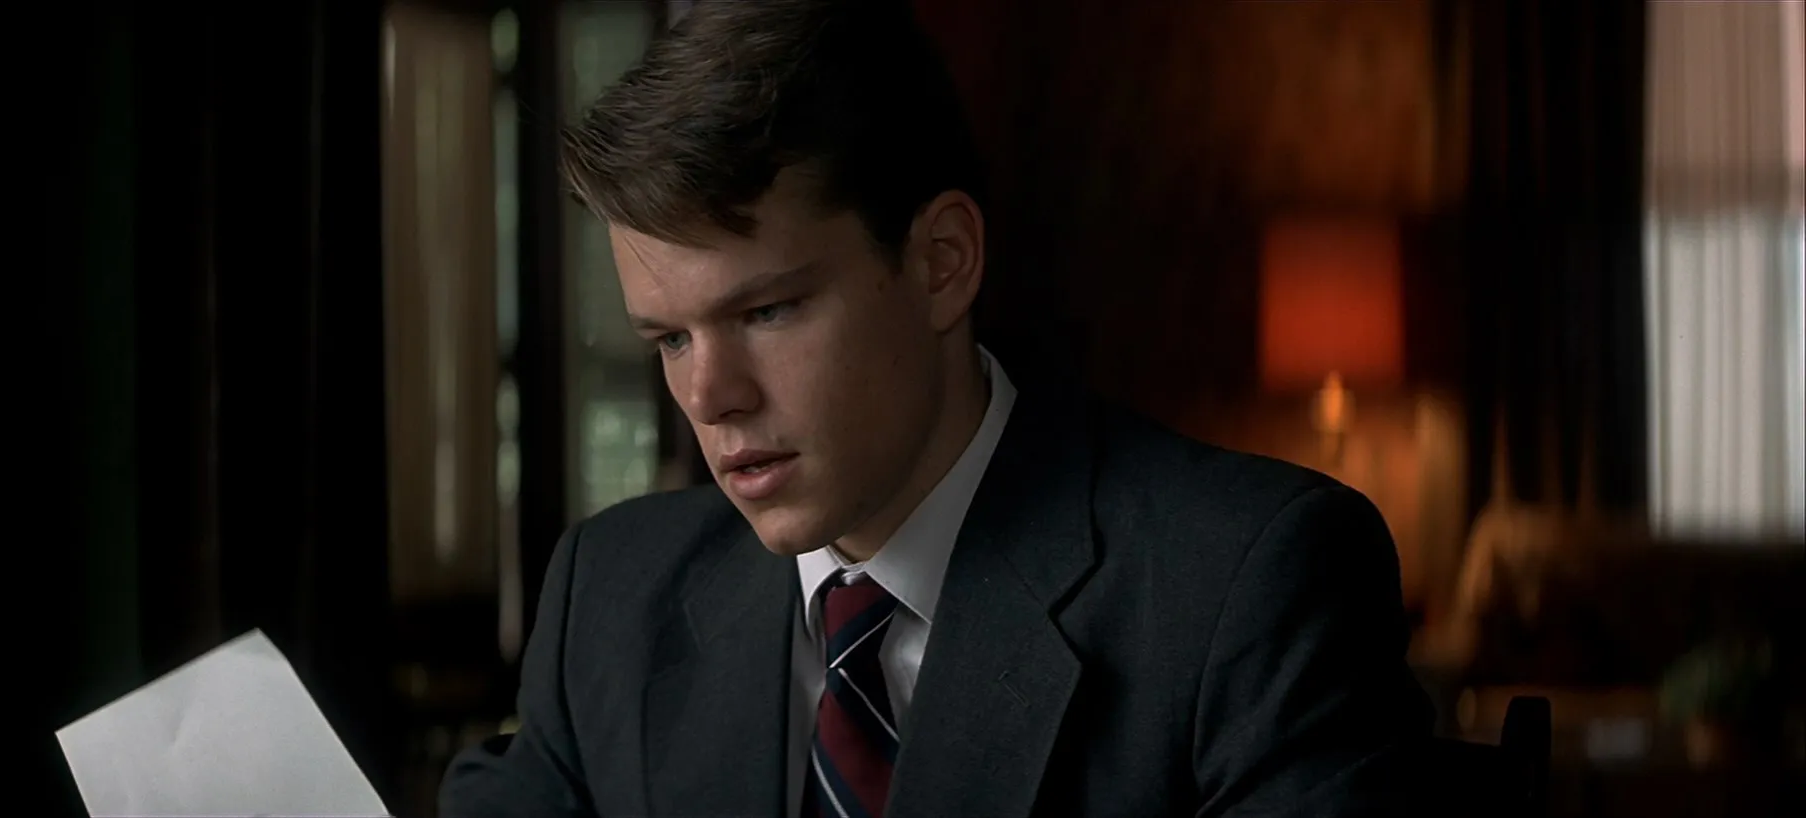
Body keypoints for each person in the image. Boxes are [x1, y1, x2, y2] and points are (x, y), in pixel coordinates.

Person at [441, 1, 1431, 816]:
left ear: (942, 262)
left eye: (767, 310)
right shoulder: (612, 595)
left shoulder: (1245, 586)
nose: (709, 395)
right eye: (670, 339)